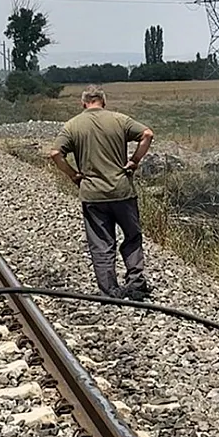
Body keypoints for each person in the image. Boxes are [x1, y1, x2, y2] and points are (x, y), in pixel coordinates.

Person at [48, 84, 155, 300]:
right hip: (122, 190)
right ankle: (135, 282)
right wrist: (134, 161)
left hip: (92, 194)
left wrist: (72, 174)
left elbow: (55, 153)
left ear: (83, 103)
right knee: (132, 236)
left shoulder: (72, 126)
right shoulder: (119, 120)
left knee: (101, 243)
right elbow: (147, 134)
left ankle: (109, 290)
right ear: (103, 101)